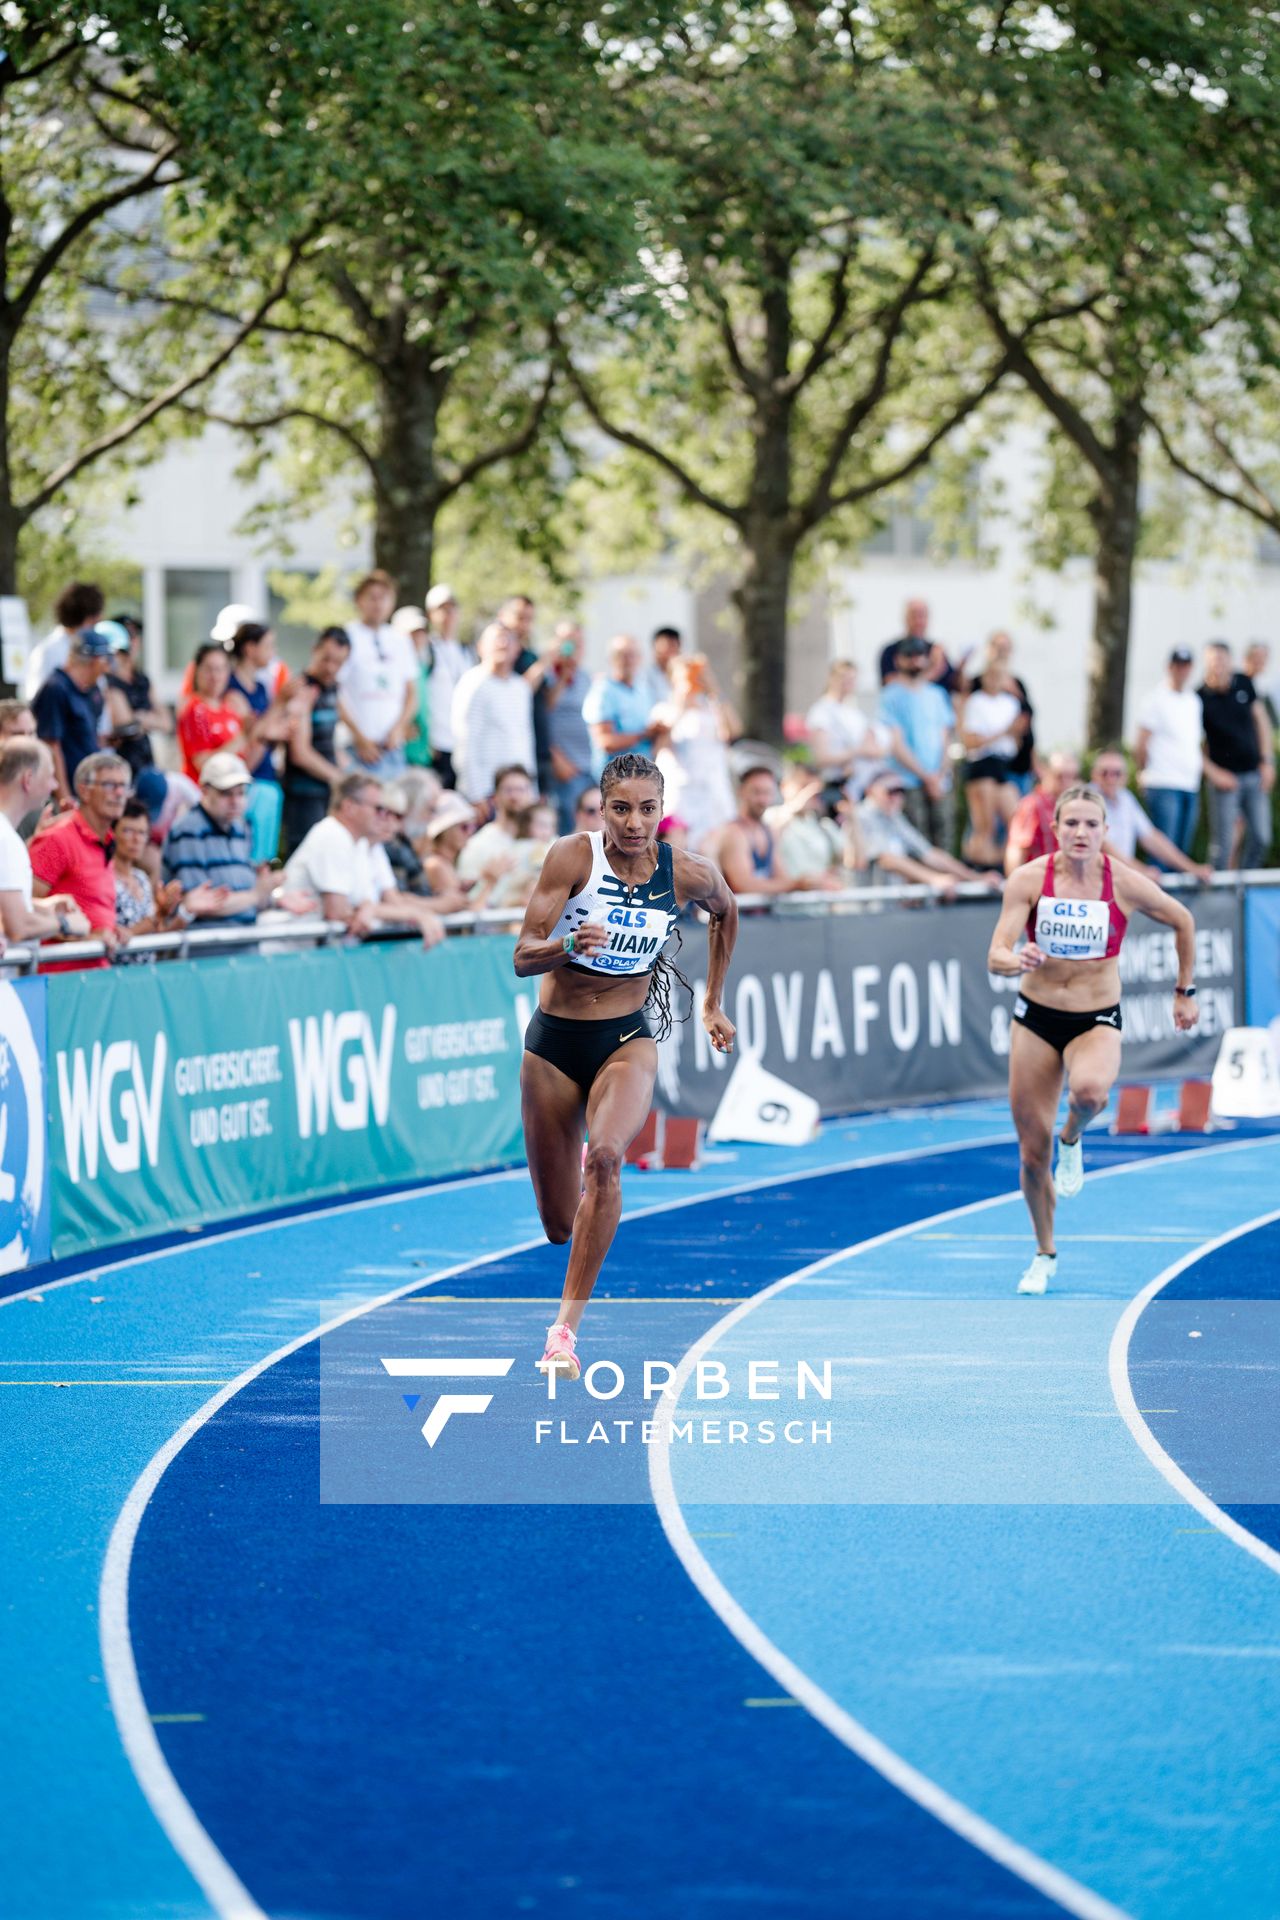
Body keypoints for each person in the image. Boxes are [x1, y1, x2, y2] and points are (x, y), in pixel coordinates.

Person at [514, 751, 737, 1379]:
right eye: (621, 808)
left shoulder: (688, 872)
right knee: (559, 1224)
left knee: (607, 1158)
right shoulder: (571, 857)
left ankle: (563, 1332)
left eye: (646, 809)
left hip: (626, 1040)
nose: (634, 822)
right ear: (601, 807)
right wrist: (564, 945)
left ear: (663, 811)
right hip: (553, 1047)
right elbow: (521, 955)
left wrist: (715, 1001)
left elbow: (727, 909)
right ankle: (569, 1249)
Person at [988, 782, 1199, 1296]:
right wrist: (1019, 959)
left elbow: (1183, 920)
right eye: (1071, 823)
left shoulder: (1122, 883)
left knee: (1090, 1094)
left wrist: (1184, 991)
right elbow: (996, 953)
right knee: (1031, 1155)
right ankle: (1044, 1252)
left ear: (1106, 832)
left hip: (1095, 1017)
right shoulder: (1029, 879)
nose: (1081, 832)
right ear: (1055, 829)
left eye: (1091, 824)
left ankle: (1074, 1136)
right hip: (1035, 1018)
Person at [284, 773, 445, 945]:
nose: (383, 816)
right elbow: (338, 913)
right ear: (349, 807)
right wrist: (412, 913)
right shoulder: (332, 835)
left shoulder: (360, 842)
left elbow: (380, 902)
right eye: (378, 808)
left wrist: (373, 909)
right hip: (299, 953)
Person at [161, 753, 291, 927]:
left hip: (243, 943)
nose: (235, 801)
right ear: (205, 791)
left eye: (241, 793)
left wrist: (274, 898)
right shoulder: (188, 831)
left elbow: (247, 896)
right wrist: (256, 894)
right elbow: (203, 903)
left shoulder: (241, 827)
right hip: (208, 948)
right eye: (226, 793)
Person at [29, 749, 131, 963]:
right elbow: (22, 911)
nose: (120, 793)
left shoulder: (107, 841)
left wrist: (111, 930)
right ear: (84, 791)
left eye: (124, 786)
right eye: (110, 785)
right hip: (59, 981)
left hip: (90, 978)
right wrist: (85, 936)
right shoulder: (58, 839)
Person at [0, 739, 89, 945]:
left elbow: (7, 910)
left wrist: (43, 907)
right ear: (28, 779)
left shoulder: (6, 836)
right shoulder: (5, 839)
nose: (55, 785)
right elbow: (19, 926)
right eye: (50, 776)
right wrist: (65, 924)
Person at [858, 767, 1000, 894]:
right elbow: (886, 859)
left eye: (901, 791)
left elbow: (930, 854)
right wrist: (933, 879)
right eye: (891, 791)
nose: (897, 797)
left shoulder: (894, 816)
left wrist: (975, 878)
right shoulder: (862, 815)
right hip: (860, 908)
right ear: (870, 791)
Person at [1199, 640, 1274, 869]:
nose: (1218, 665)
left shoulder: (1244, 683)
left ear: (1230, 662)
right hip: (1225, 781)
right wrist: (1214, 774)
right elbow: (1193, 745)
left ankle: (1246, 887)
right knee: (1223, 844)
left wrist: (1267, 761)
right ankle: (1219, 895)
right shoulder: (1200, 697)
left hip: (1253, 774)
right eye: (1213, 661)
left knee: (1262, 836)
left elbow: (1261, 722)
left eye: (1222, 660)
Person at [651, 653, 738, 849]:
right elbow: (660, 747)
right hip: (681, 795)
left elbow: (733, 731)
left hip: (714, 795)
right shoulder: (664, 710)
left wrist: (714, 690)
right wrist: (681, 704)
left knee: (711, 854)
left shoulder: (713, 709)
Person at [879, 636, 956, 849]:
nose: (915, 661)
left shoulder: (937, 695)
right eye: (909, 656)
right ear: (898, 660)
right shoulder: (890, 696)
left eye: (919, 655)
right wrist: (926, 776)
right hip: (908, 780)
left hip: (939, 781)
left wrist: (939, 775)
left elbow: (946, 739)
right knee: (916, 842)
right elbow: (896, 743)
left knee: (945, 838)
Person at [717, 765, 842, 896]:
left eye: (767, 792)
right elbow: (743, 885)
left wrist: (816, 882)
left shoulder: (767, 831)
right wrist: (796, 885)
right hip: (741, 915)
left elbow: (781, 877)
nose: (762, 800)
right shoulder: (734, 833)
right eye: (756, 792)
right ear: (741, 792)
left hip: (764, 914)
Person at [1089, 749, 1212, 882]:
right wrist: (1141, 871)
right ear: (1094, 775)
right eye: (1105, 773)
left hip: (1120, 878)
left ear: (1125, 776)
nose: (1111, 778)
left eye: (1117, 773)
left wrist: (1192, 868)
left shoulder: (1125, 798)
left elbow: (1151, 837)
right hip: (1097, 880)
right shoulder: (1088, 799)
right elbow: (1103, 846)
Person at [113, 799, 214, 960]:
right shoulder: (105, 879)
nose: (136, 839)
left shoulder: (141, 879)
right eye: (128, 831)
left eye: (142, 833)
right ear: (113, 833)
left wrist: (183, 912)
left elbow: (157, 938)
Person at [340, 570, 419, 776]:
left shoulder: (400, 641)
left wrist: (399, 728)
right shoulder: (347, 636)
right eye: (372, 597)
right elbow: (336, 691)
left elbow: (411, 693)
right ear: (359, 601)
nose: (378, 604)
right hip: (357, 748)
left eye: (383, 598)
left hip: (392, 748)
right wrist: (359, 737)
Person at [282, 626, 350, 856]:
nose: (331, 668)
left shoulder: (333, 689)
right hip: (304, 794)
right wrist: (339, 778)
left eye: (339, 662)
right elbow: (299, 752)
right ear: (314, 651)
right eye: (326, 659)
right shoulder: (302, 689)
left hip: (327, 791)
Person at [451, 623, 536, 804]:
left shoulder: (520, 687)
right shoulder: (473, 683)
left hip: (519, 794)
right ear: (480, 647)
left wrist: (531, 790)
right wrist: (475, 795)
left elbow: (525, 739)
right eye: (497, 638)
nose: (503, 643)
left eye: (509, 639)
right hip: (486, 794)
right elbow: (465, 742)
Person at [958, 649, 1027, 866]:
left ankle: (1004, 865)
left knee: (1016, 821)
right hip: (982, 765)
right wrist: (1003, 733)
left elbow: (1015, 740)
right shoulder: (975, 702)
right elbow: (971, 740)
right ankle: (976, 867)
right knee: (984, 825)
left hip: (1003, 765)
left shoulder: (1011, 703)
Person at [1133, 648, 1204, 857]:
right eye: (1178, 665)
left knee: (1181, 849)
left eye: (1186, 666)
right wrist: (1143, 773)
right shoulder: (1155, 698)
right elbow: (1141, 743)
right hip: (1162, 781)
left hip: (1189, 783)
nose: (1181, 670)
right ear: (1169, 667)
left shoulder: (1193, 700)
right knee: (1163, 850)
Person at [805, 660, 895, 799]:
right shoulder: (821, 712)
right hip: (839, 786)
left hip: (863, 784)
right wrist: (858, 752)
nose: (848, 683)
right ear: (832, 678)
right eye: (844, 677)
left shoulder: (853, 713)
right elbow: (821, 758)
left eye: (852, 679)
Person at [539, 622, 594, 834]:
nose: (573, 648)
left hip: (587, 765)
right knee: (569, 829)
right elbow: (544, 713)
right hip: (562, 766)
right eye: (568, 643)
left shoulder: (585, 678)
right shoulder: (547, 675)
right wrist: (555, 757)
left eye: (578, 643)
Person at [582, 634, 657, 778]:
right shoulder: (603, 691)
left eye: (632, 655)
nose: (628, 660)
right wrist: (644, 734)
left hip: (641, 777)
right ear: (611, 659)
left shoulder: (642, 690)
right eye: (621, 655)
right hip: (615, 780)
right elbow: (604, 741)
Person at [178, 643, 256, 782]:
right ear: (197, 671)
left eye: (220, 669)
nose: (215, 676)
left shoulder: (231, 707)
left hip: (232, 792)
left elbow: (247, 755)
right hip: (205, 793)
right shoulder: (195, 710)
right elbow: (203, 764)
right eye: (209, 669)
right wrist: (243, 736)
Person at [423, 584, 474, 788]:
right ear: (431, 614)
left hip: (462, 745)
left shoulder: (466, 652)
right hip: (437, 744)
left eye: (452, 607)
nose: (448, 613)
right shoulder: (427, 649)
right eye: (442, 608)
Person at [104, 616, 168, 776]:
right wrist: (147, 719)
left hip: (145, 760)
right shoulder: (107, 680)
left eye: (135, 636)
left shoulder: (142, 679)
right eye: (127, 636)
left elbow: (166, 723)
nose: (132, 642)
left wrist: (139, 719)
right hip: (119, 763)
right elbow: (124, 723)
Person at [22, 581, 104, 702]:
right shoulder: (49, 651)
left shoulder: (87, 647)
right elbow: (39, 699)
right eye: (95, 622)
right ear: (86, 620)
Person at [1004, 751, 1082, 873]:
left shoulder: (1075, 805)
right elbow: (1017, 850)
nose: (1066, 782)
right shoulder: (1032, 805)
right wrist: (1015, 884)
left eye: (1071, 776)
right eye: (1060, 776)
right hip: (1040, 882)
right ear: (1046, 773)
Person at [457, 764, 533, 885]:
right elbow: (467, 897)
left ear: (531, 795)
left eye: (521, 789)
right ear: (494, 797)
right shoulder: (477, 844)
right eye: (508, 790)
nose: (515, 796)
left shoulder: (546, 838)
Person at [390, 605, 433, 769]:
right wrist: (401, 728)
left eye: (421, 632)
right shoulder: (392, 667)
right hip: (400, 753)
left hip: (422, 753)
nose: (418, 637)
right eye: (412, 633)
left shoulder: (422, 666)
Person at [639, 624, 682, 711]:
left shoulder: (684, 674)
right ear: (655, 646)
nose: (671, 650)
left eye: (674, 645)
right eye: (667, 645)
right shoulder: (644, 675)